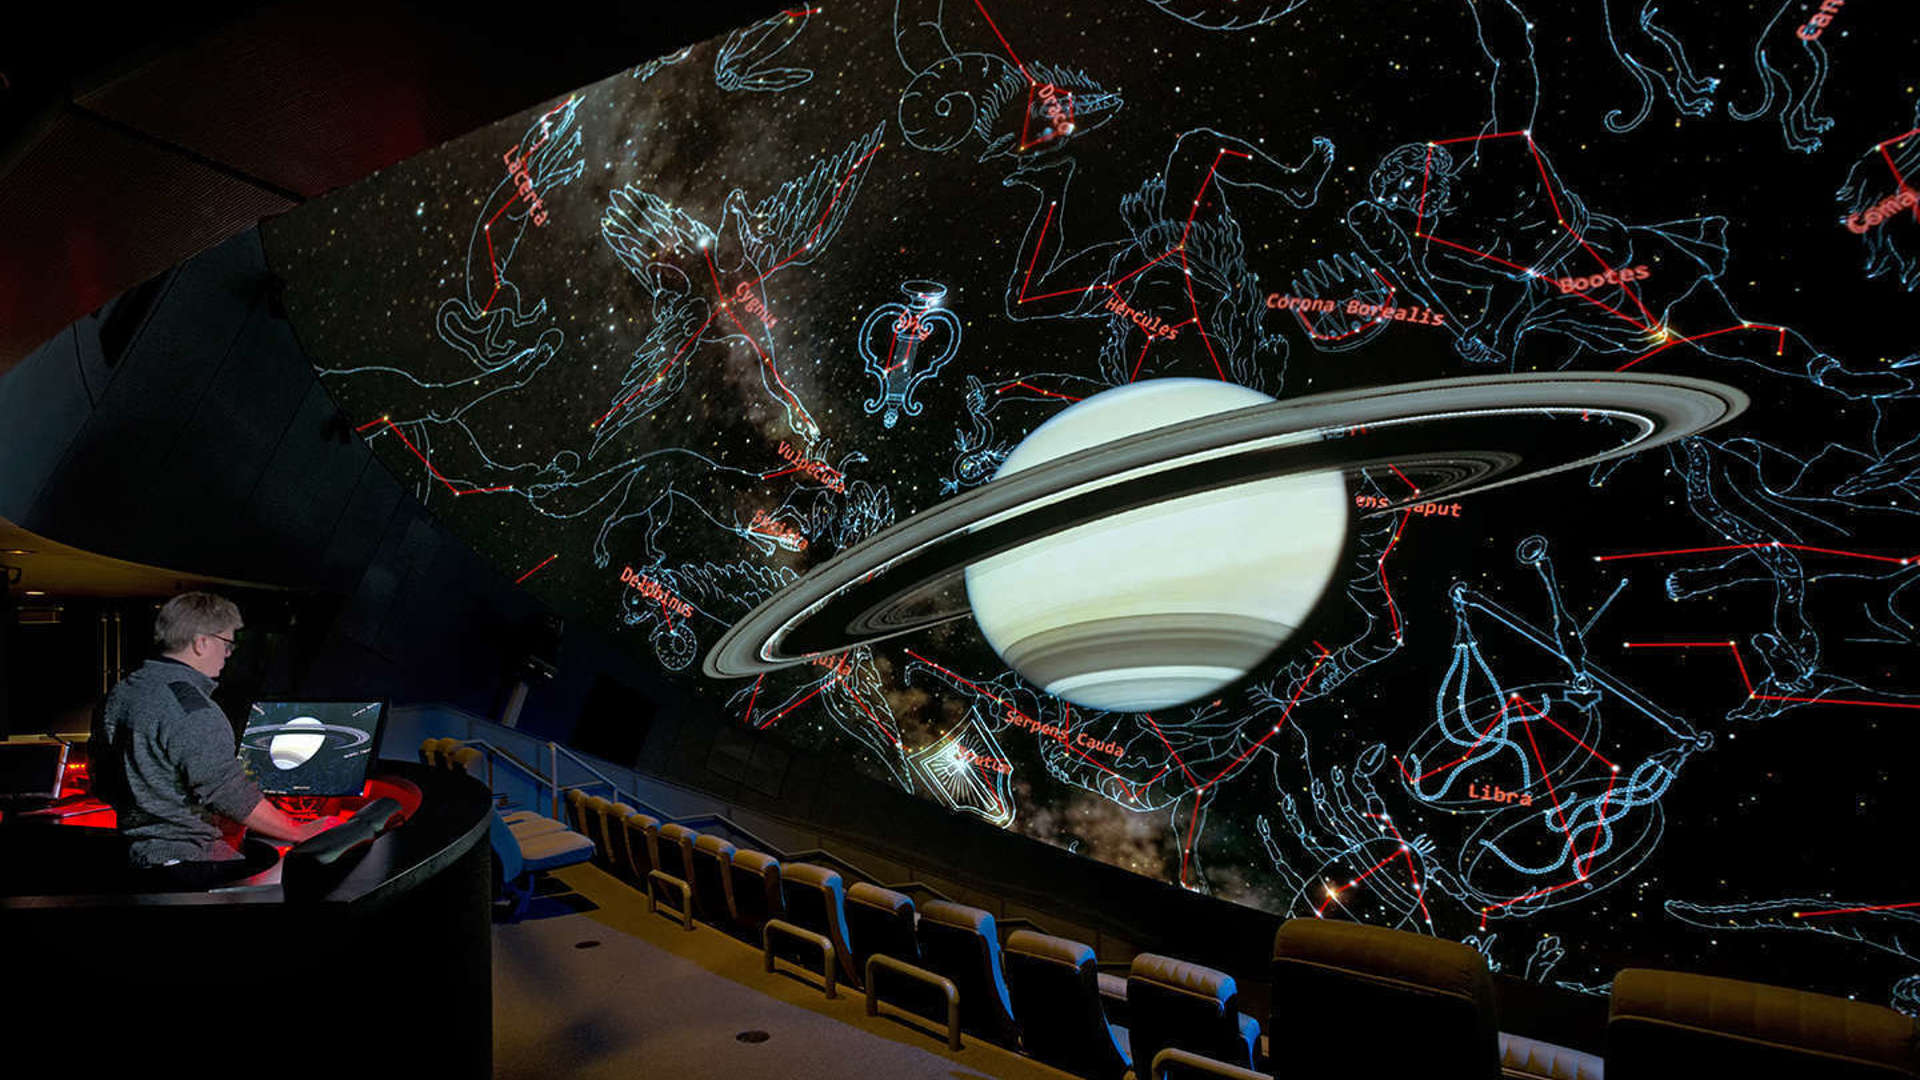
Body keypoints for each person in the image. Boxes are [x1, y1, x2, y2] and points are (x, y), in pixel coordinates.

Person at [96, 591, 330, 887]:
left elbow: (102, 781)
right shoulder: (192, 708)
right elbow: (227, 791)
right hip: (191, 866)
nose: (229, 653)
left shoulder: (121, 694)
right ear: (201, 642)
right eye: (227, 643)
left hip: (140, 862)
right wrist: (299, 831)